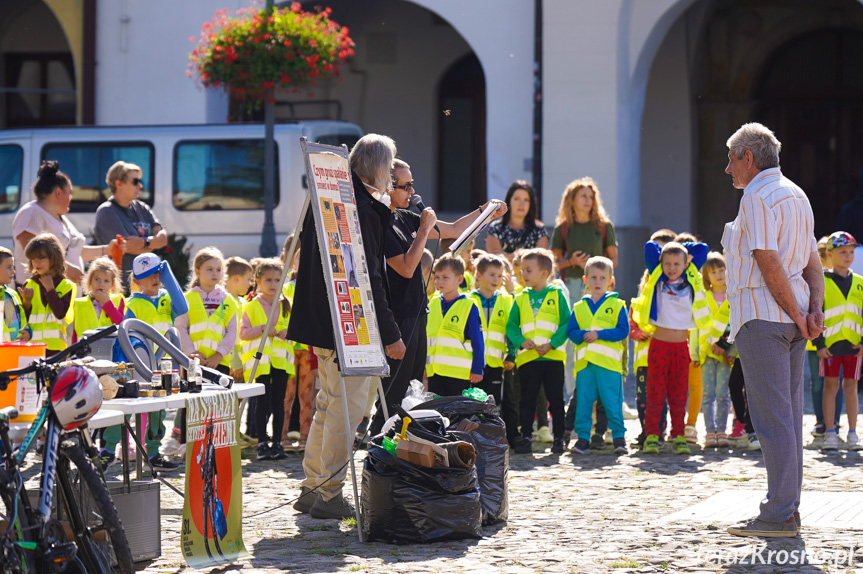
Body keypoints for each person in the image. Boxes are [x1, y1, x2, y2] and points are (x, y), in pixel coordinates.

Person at [290, 134, 405, 521]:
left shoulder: (332, 194)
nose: (391, 175)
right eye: (389, 167)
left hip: (322, 323)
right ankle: (329, 493)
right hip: (349, 326)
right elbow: (368, 275)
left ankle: (314, 486)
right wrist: (390, 333)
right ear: (377, 167)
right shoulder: (361, 207)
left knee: (328, 405)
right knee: (346, 411)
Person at [722, 122, 824, 539]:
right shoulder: (796, 193)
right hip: (791, 316)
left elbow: (768, 262)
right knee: (788, 419)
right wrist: (811, 311)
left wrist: (803, 316)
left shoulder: (757, 196)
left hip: (765, 319)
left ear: (748, 158)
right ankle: (787, 510)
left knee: (773, 420)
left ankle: (779, 513)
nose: (728, 169)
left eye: (731, 159)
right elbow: (812, 262)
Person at [369, 158, 505, 436]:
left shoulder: (406, 216)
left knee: (413, 389)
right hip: (398, 317)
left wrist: (485, 212)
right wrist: (422, 232)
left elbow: (454, 230)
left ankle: (407, 446)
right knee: (393, 391)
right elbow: (407, 268)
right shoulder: (381, 222)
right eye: (405, 186)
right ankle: (380, 442)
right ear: (386, 186)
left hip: (418, 315)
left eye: (413, 185)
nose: (412, 192)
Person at [633, 240, 710, 455]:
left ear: (686, 264)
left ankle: (678, 435)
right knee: (655, 395)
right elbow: (649, 246)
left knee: (678, 396)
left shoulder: (690, 276)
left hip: (681, 348)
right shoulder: (658, 278)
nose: (672, 268)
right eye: (667, 263)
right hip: (659, 346)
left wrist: (684, 251)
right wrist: (663, 254)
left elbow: (702, 248)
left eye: (677, 263)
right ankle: (651, 436)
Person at [114, 252, 188, 472]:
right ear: (137, 281)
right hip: (144, 366)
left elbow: (182, 308)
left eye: (157, 273)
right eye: (147, 276)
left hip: (165, 364)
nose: (154, 279)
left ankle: (153, 453)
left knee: (160, 413)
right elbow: (126, 334)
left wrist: (169, 276)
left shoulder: (167, 297)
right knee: (132, 409)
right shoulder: (134, 303)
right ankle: (113, 449)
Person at [171, 247, 243, 457]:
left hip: (217, 363)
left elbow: (231, 332)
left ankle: (215, 442)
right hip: (192, 362)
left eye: (218, 269)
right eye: (209, 269)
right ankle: (186, 443)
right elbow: (180, 327)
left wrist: (219, 354)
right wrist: (192, 353)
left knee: (217, 402)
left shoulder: (228, 300)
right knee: (190, 401)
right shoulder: (187, 299)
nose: (214, 273)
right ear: (197, 271)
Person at [507, 248, 571, 454]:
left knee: (556, 400)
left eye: (528, 270)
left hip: (553, 357)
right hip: (528, 359)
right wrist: (521, 341)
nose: (523, 274)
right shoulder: (520, 297)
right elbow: (511, 326)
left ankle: (559, 438)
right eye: (523, 270)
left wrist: (552, 343)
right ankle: (526, 436)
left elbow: (566, 323)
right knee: (527, 399)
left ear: (544, 273)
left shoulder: (557, 295)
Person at [12, 160, 115, 286]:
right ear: (58, 193)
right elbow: (32, 252)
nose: (71, 198)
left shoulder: (59, 216)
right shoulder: (31, 213)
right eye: (69, 193)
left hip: (61, 297)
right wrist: (67, 268)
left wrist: (108, 250)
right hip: (39, 295)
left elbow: (75, 251)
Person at [568, 256, 628, 455]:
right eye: (593, 277)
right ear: (585, 280)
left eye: (602, 277)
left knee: (613, 403)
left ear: (610, 280)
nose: (597, 281)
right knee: (584, 403)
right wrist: (582, 336)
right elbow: (571, 331)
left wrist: (599, 335)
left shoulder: (618, 305)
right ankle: (583, 440)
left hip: (609, 365)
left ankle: (619, 438)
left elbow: (622, 331)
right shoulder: (579, 307)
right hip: (585, 365)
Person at [239, 258, 294, 461]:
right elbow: (243, 333)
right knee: (262, 403)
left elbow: (296, 332)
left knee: (279, 402)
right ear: (258, 281)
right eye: (268, 280)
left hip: (281, 361)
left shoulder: (287, 304)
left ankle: (277, 442)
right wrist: (262, 329)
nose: (273, 284)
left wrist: (288, 332)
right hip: (259, 362)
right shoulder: (251, 306)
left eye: (277, 280)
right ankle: (262, 442)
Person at [814, 232, 863, 453]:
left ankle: (853, 432)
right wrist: (819, 344)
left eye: (851, 252)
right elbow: (815, 314)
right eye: (842, 252)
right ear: (830, 254)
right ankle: (830, 432)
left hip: (853, 346)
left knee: (851, 388)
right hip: (830, 347)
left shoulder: (860, 283)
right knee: (830, 387)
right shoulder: (821, 282)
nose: (848, 256)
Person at [629, 228, 675, 448]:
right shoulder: (645, 287)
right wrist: (637, 333)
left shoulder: (676, 289)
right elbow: (633, 319)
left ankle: (658, 432)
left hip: (665, 353)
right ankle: (646, 431)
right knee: (642, 398)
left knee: (661, 397)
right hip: (643, 356)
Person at [93, 161, 168, 291]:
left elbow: (163, 239)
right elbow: (128, 248)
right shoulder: (106, 212)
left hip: (145, 289)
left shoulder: (142, 207)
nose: (140, 185)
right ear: (119, 184)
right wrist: (152, 244)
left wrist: (143, 242)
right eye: (135, 181)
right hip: (120, 289)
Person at [425, 254, 485, 397]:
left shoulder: (469, 305)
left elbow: (478, 340)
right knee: (437, 412)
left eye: (445, 277)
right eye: (437, 277)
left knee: (456, 413)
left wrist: (478, 368)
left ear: (459, 279)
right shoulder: (432, 303)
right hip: (434, 371)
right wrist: (423, 366)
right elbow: (426, 337)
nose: (440, 281)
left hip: (458, 374)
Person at [551, 177, 617, 301]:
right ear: (572, 200)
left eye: (591, 197)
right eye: (583, 196)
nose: (588, 200)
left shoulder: (604, 226)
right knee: (573, 319)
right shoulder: (563, 228)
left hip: (599, 284)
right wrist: (572, 262)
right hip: (571, 284)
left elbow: (614, 260)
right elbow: (553, 265)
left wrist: (595, 266)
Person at [698, 252, 733, 448]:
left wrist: (728, 348)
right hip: (706, 351)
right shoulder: (702, 297)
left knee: (723, 393)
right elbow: (696, 325)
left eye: (722, 270)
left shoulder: (733, 297)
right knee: (708, 394)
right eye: (713, 272)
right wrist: (695, 352)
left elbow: (735, 323)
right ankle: (709, 431)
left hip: (726, 352)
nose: (719, 275)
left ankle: (722, 430)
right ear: (707, 277)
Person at [19, 234, 76, 356]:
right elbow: (24, 319)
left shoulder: (66, 285)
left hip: (56, 350)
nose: (36, 263)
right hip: (32, 348)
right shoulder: (29, 284)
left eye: (41, 258)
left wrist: (50, 290)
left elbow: (60, 313)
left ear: (54, 258)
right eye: (33, 259)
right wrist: (26, 303)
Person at [808, 237, 842, 438]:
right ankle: (821, 421)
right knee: (817, 382)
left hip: (834, 340)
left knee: (834, 382)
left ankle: (834, 421)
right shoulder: (814, 279)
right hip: (814, 343)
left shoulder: (836, 279)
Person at [470, 254, 514, 404]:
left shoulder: (506, 300)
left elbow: (512, 329)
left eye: (500, 275)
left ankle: (491, 428)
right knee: (473, 402)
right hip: (473, 362)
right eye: (492, 275)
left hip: (496, 362)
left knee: (493, 404)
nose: (496, 279)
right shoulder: (468, 300)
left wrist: (511, 355)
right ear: (479, 275)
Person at [486, 181, 548, 262]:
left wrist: (508, 256)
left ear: (531, 204)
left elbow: (540, 260)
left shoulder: (539, 229)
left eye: (526, 200)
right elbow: (495, 259)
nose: (521, 204)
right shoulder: (495, 228)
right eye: (517, 199)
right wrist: (527, 255)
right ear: (509, 201)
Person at [72, 257, 125, 343]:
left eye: (106, 281)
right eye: (97, 279)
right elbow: (75, 334)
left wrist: (108, 304)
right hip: (85, 353)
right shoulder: (79, 304)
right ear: (90, 281)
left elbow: (122, 325)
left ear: (112, 284)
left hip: (109, 351)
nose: (101, 284)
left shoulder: (118, 300)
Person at [0, 247, 30, 342]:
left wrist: (28, 332)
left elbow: (23, 322)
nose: (13, 271)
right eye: (8, 267)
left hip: (13, 351)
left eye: (13, 267)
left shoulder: (13, 294)